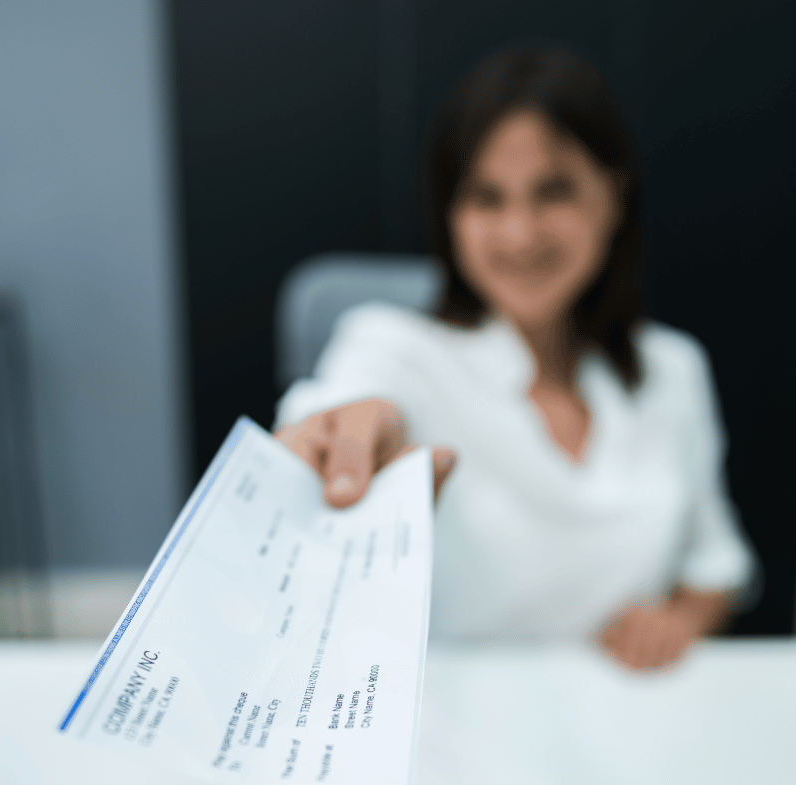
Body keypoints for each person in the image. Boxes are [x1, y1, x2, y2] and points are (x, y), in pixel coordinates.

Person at [275, 48, 753, 670]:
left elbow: (715, 567)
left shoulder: (673, 370)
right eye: (486, 198)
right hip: (449, 732)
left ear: (612, 195)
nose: (520, 233)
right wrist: (340, 439)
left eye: (553, 192)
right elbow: (342, 410)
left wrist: (677, 623)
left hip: (621, 718)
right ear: (451, 217)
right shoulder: (392, 349)